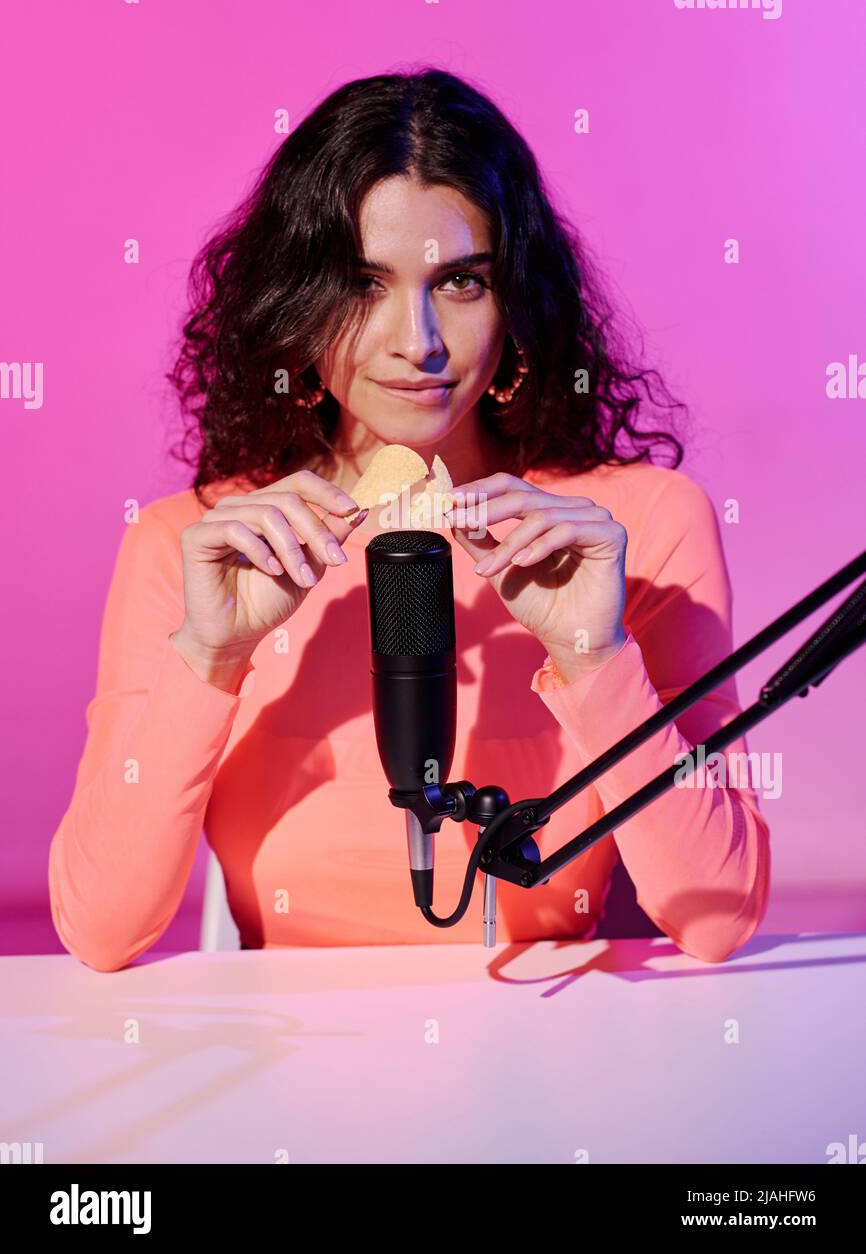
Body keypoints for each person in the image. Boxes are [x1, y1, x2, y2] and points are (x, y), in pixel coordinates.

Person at [48, 67, 770, 971]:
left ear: (518, 302)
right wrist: (212, 655)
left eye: (461, 282)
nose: (417, 340)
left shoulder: (632, 527)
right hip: (285, 1076)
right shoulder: (196, 548)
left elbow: (720, 918)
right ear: (297, 307)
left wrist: (595, 657)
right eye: (363, 282)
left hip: (546, 1067)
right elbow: (101, 931)